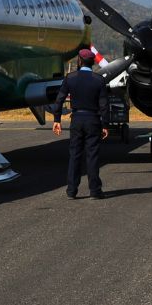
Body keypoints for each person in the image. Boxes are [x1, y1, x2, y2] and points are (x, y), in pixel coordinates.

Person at [52, 48, 110, 198]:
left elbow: (59, 99)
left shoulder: (70, 78)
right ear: (92, 62)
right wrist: (105, 124)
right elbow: (104, 105)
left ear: (79, 61)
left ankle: (72, 190)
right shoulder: (99, 80)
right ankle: (95, 191)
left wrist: (57, 119)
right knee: (92, 156)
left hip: (77, 119)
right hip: (93, 120)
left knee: (75, 155)